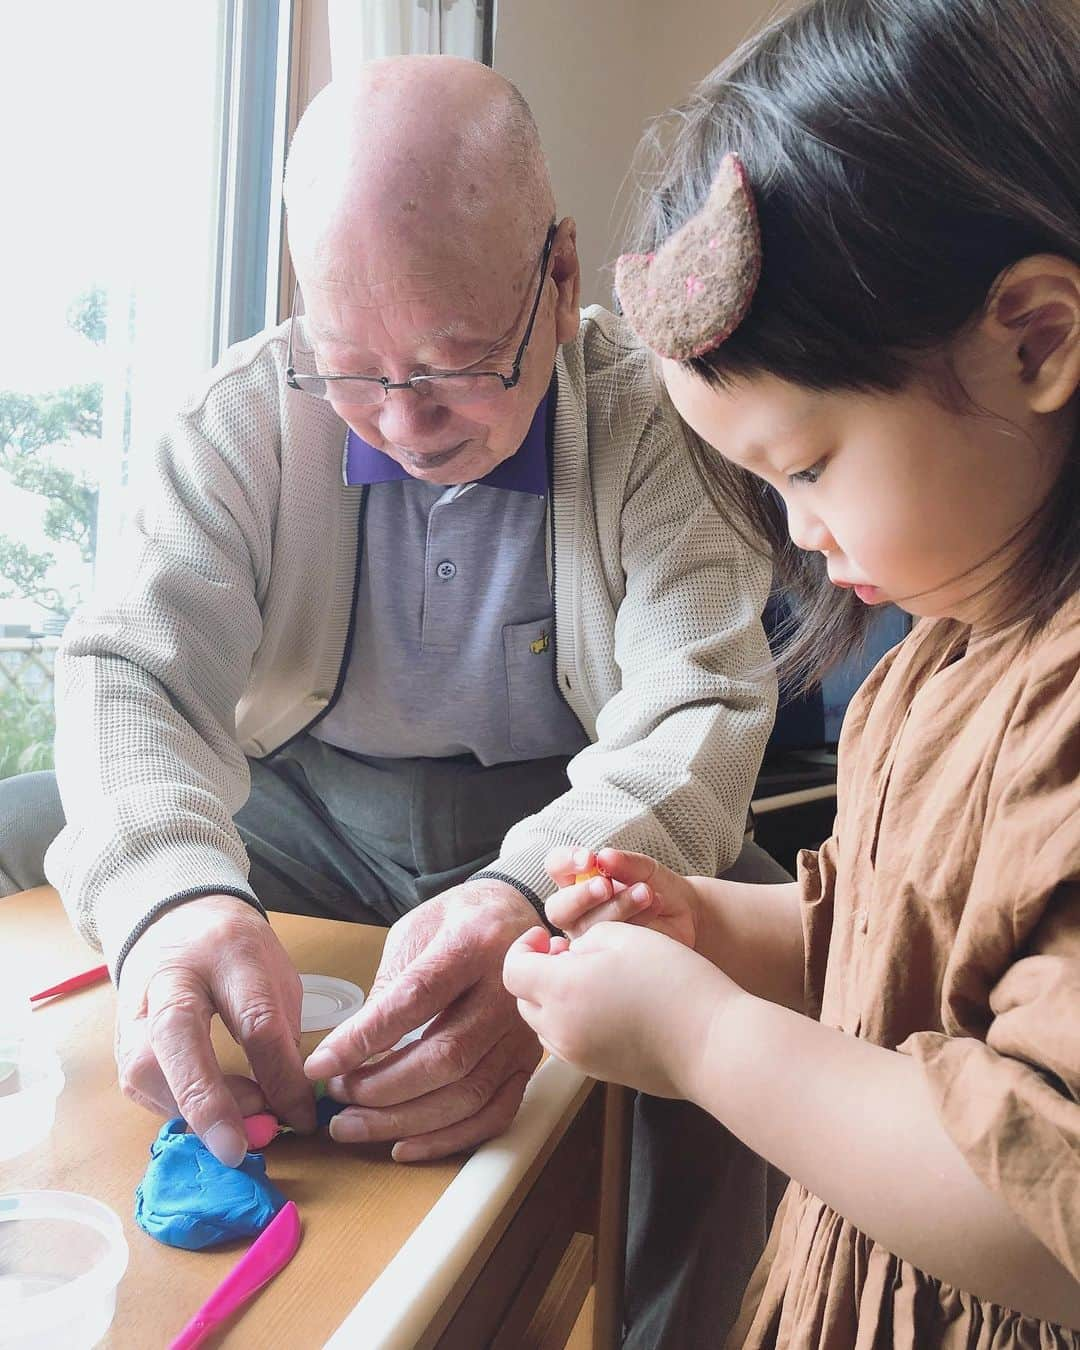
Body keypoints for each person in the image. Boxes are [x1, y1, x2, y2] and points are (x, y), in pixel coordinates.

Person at [0, 53, 783, 1314]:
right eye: (352, 367)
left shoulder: (657, 419)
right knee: (30, 821)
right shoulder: (243, 418)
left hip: (568, 819)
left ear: (562, 270)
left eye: (456, 361)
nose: (404, 424)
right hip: (304, 813)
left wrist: (534, 902)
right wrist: (169, 904)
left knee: (733, 950)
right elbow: (130, 671)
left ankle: (678, 1324)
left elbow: (698, 712)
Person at [503, 0, 1080, 1344]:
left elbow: (1043, 1208)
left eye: (808, 465)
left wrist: (705, 1039)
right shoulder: (930, 659)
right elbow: (895, 949)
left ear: (1037, 341)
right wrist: (715, 927)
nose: (800, 536)